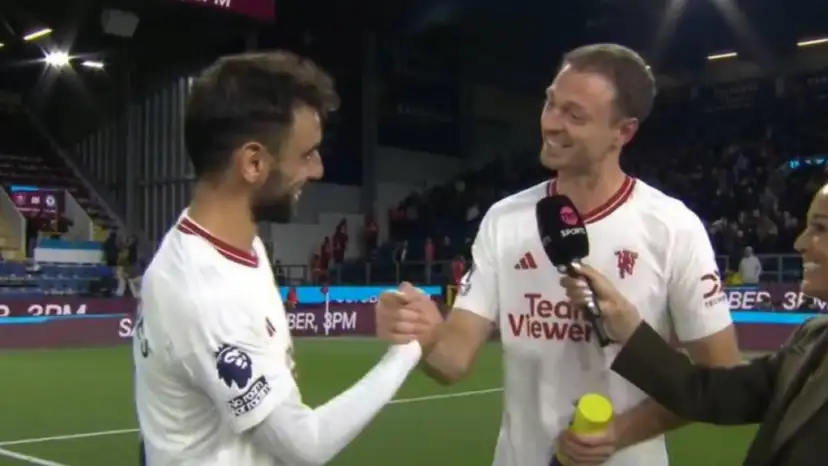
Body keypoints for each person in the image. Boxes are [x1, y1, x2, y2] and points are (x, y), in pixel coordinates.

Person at [376, 43, 742, 466]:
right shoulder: (505, 219)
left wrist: (621, 433)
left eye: (575, 115)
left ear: (622, 132)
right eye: (551, 103)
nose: (551, 123)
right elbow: (453, 362)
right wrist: (422, 333)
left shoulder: (672, 228)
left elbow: (722, 377)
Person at [133, 51, 437, 466]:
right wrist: (408, 351)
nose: (317, 169)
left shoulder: (234, 243)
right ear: (254, 163)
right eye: (306, 154)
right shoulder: (205, 293)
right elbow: (305, 446)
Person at [559, 183, 828, 466]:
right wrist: (629, 328)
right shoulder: (812, 338)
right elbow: (705, 393)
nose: (800, 242)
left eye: (820, 229)